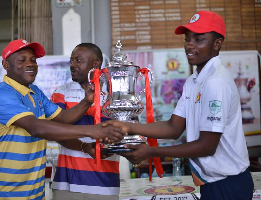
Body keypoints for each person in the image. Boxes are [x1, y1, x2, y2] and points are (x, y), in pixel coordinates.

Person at [104, 11, 254, 200]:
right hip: (212, 184)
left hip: (229, 185)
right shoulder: (194, 81)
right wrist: (127, 126)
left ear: (217, 44)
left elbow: (207, 146)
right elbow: (173, 127)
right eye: (187, 39)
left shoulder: (216, 82)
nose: (189, 45)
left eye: (199, 39)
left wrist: (151, 152)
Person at [0, 39, 126, 200]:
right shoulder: (2, 94)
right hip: (2, 194)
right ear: (6, 65)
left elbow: (63, 117)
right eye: (22, 60)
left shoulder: (35, 92)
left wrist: (86, 102)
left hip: (34, 193)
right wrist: (93, 131)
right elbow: (37, 128)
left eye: (33, 60)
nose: (30, 64)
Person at [50, 43, 120, 200]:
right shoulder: (62, 92)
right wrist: (84, 146)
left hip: (105, 186)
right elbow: (55, 130)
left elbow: (125, 133)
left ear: (95, 64)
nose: (72, 65)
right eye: (71, 61)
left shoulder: (115, 95)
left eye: (78, 60)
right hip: (66, 184)